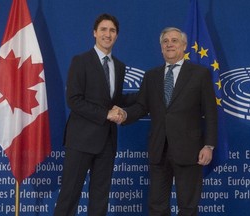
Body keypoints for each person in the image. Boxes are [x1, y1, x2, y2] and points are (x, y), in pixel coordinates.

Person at [112, 27, 218, 216]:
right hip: (159, 149)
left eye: (174, 40)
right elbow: (141, 106)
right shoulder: (151, 76)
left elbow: (210, 113)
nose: (169, 44)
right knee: (157, 206)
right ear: (161, 47)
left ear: (184, 46)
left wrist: (209, 145)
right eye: (165, 41)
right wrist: (125, 115)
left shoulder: (200, 74)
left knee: (188, 206)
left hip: (190, 149)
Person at [54, 13, 134, 216]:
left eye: (112, 30)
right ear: (94, 33)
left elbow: (113, 101)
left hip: (107, 142)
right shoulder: (80, 61)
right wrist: (106, 114)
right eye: (104, 30)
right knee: (69, 196)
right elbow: (74, 100)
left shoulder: (120, 66)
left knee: (100, 198)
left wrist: (146, 96)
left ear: (117, 35)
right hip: (81, 139)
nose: (108, 34)